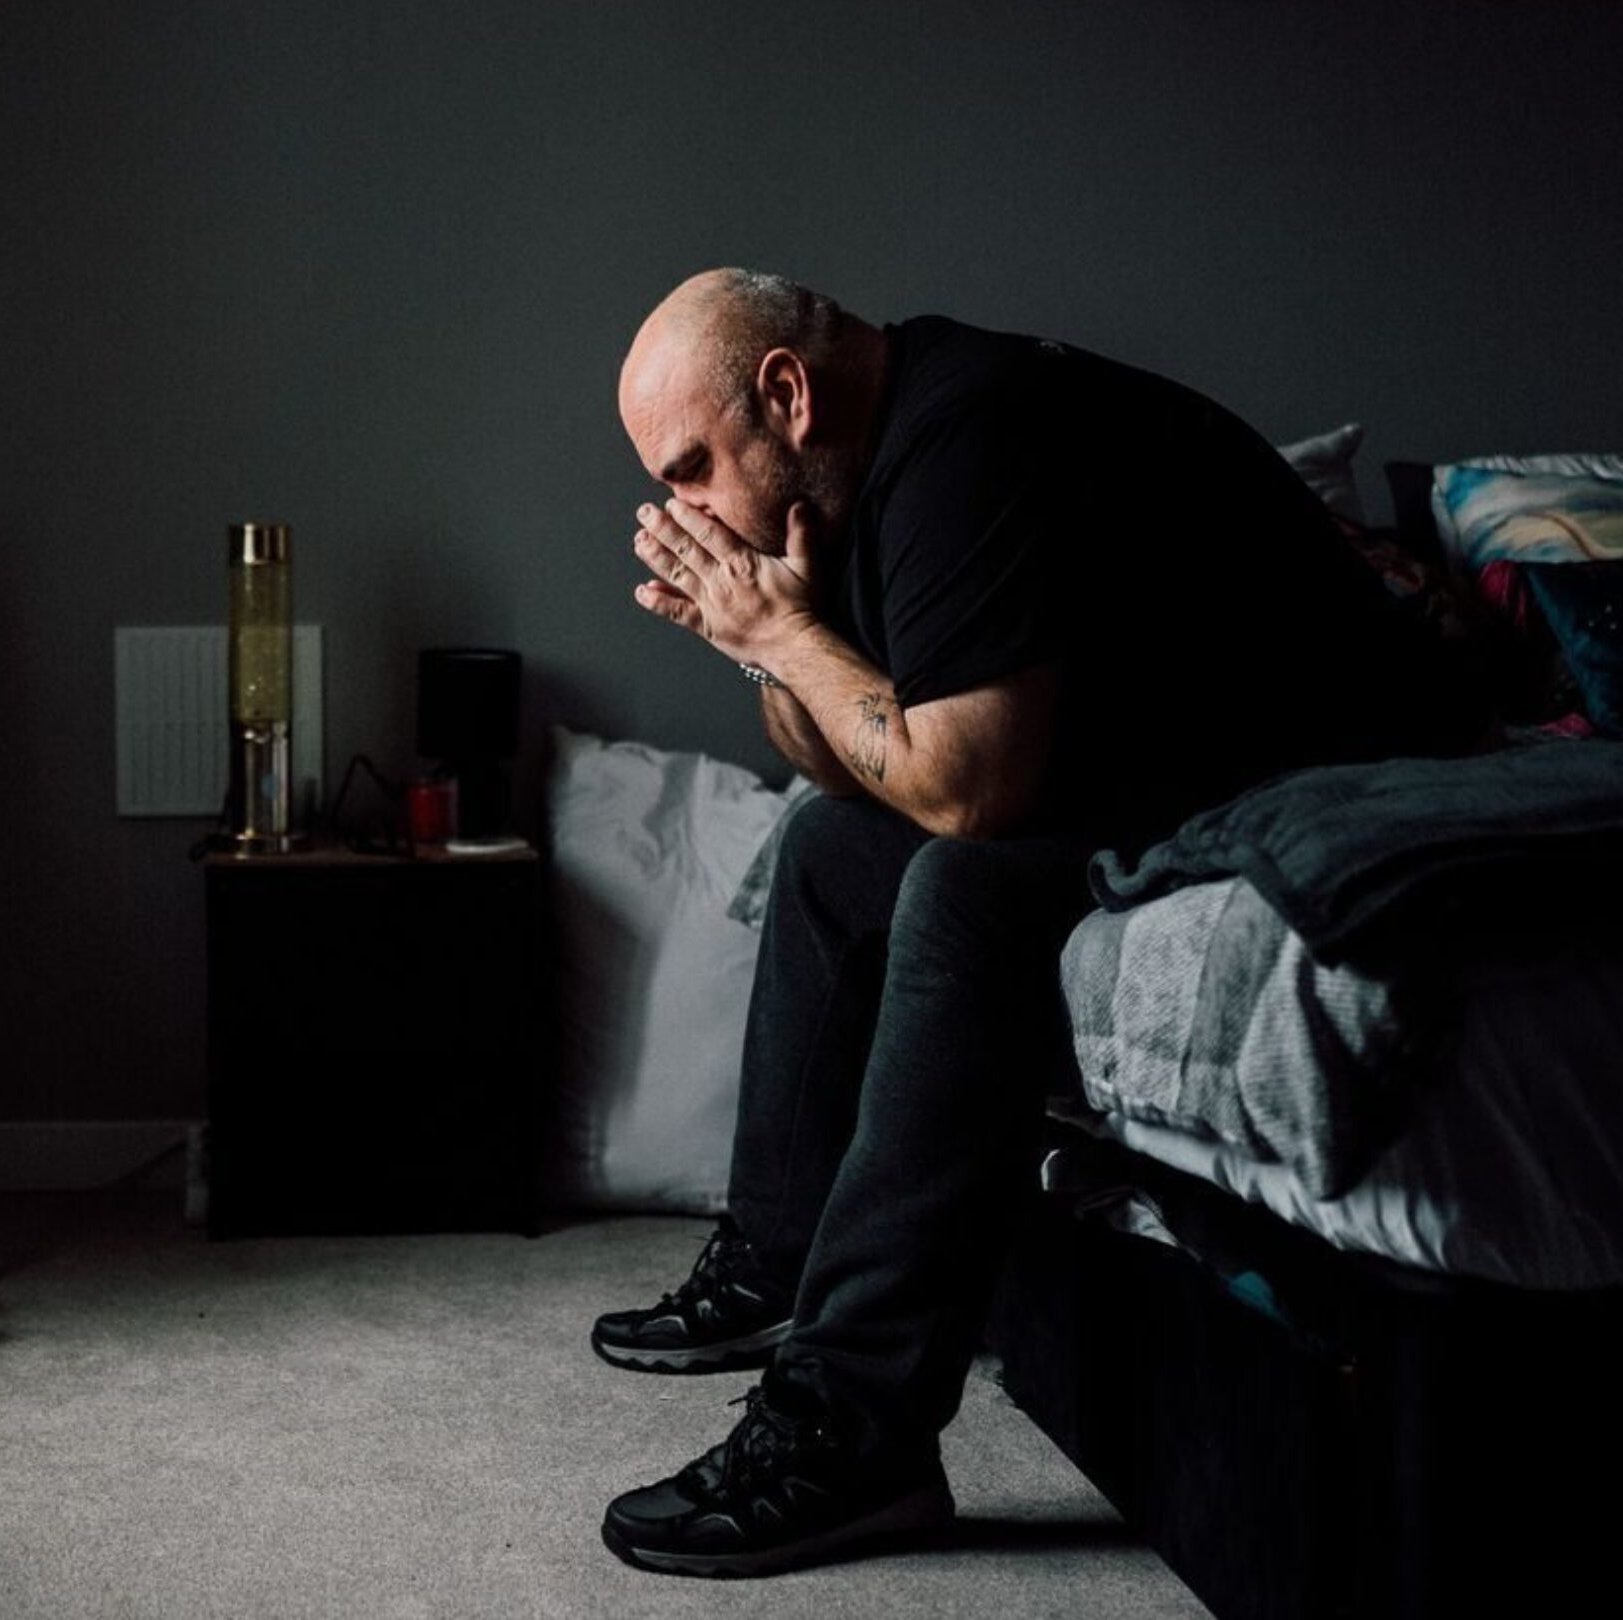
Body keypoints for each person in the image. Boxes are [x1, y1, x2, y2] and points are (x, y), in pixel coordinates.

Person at [590, 268, 1462, 1578]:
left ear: (788, 394)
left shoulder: (966, 439)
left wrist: (782, 629)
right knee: (830, 848)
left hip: (1325, 776)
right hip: (1154, 768)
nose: (685, 509)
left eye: (695, 466)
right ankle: (778, 1258)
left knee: (965, 890)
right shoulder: (852, 471)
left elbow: (965, 785)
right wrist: (774, 642)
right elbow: (857, 767)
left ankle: (854, 1431)